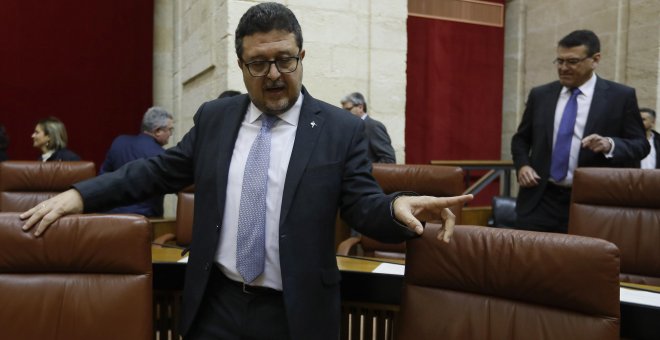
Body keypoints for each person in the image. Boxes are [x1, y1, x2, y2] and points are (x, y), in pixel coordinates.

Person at [20, 3, 472, 340]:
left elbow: (363, 204)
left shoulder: (339, 130)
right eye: (259, 63)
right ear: (241, 65)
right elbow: (157, 172)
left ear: (301, 56)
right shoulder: (216, 118)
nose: (274, 74)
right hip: (214, 305)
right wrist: (79, 196)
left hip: (295, 315)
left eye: (285, 59)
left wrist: (397, 207)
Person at [511, 29, 649, 234]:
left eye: (572, 62)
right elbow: (521, 139)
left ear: (595, 59)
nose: (563, 68)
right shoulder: (540, 95)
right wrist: (523, 165)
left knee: (581, 263)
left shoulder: (620, 97)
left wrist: (610, 144)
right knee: (532, 262)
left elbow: (641, 145)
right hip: (540, 200)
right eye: (559, 61)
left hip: (593, 202)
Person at [99, 107, 174, 216]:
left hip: (111, 218)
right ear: (158, 131)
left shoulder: (119, 142)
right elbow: (178, 186)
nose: (170, 134)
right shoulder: (162, 155)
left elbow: (102, 178)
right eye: (170, 129)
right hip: (147, 221)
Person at [341, 92, 396, 163]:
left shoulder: (373, 126)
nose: (344, 113)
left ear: (360, 107)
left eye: (348, 109)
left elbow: (389, 160)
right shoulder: (350, 127)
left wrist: (365, 171)